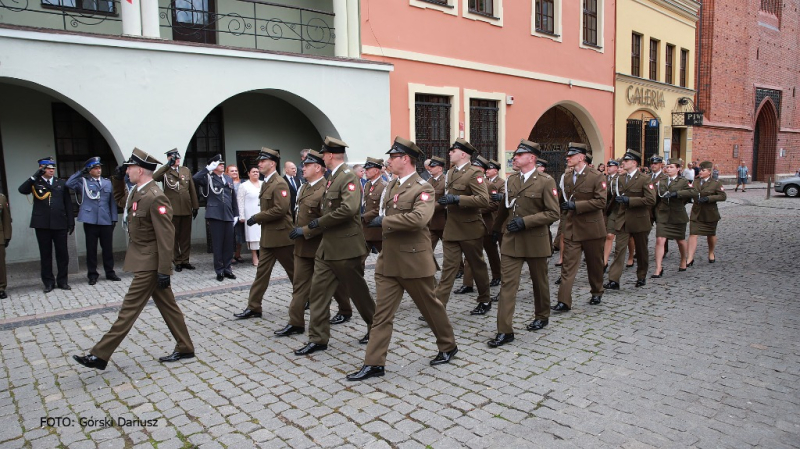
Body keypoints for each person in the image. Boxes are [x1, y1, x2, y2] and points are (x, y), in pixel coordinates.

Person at [347, 137, 458, 380]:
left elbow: (419, 219)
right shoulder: (392, 186)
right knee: (382, 315)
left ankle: (448, 344)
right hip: (389, 261)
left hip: (414, 262)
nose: (388, 161)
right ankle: (374, 363)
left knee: (431, 308)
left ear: (405, 159)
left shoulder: (423, 187)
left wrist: (385, 221)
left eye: (392, 157)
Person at [73, 148, 194, 371]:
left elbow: (167, 237)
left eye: (129, 168)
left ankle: (99, 355)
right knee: (169, 307)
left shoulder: (155, 197)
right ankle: (185, 346)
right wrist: (118, 180)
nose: (126, 170)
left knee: (128, 310)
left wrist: (164, 271)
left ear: (140, 170)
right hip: (145, 260)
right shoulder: (137, 192)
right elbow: (120, 199)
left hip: (151, 264)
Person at [292, 137, 376, 356]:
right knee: (319, 293)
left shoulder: (348, 177)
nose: (322, 157)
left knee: (359, 294)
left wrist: (319, 222)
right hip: (327, 248)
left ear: (329, 155)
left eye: (323, 154)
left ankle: (375, 328)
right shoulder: (333, 178)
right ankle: (318, 338)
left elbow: (349, 209)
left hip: (347, 248)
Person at [487, 140, 560, 347]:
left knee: (540, 281)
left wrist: (526, 222)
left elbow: (553, 213)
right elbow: (505, 208)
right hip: (511, 241)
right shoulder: (512, 180)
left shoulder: (546, 181)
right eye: (515, 154)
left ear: (532, 158)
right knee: (508, 285)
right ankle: (505, 331)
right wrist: (495, 229)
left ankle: (542, 314)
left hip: (535, 240)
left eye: (520, 154)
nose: (515, 157)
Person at [276, 151, 352, 337]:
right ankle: (296, 322)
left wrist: (306, 231)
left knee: (331, 285)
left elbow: (327, 220)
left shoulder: (326, 189)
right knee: (300, 285)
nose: (302, 168)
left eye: (306, 165)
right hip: (302, 247)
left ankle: (344, 310)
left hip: (320, 245)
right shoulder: (303, 188)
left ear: (318, 168)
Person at [234, 148, 296, 320]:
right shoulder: (267, 182)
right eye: (258, 161)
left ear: (273, 163)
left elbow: (281, 209)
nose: (259, 164)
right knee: (261, 274)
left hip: (282, 237)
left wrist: (258, 217)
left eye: (262, 161)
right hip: (268, 237)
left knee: (295, 273)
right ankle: (254, 307)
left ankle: (307, 298)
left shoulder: (279, 183)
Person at [434, 138, 492, 315]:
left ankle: (485, 299)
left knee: (477, 266)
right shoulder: (451, 173)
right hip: (451, 228)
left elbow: (483, 200)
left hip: (470, 229)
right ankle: (437, 306)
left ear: (463, 154)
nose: (450, 152)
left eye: (453, 150)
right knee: (448, 269)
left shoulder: (474, 173)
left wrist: (458, 199)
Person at [553, 143, 607, 311]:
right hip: (572, 228)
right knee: (568, 266)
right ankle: (563, 301)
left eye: (572, 155)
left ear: (582, 157)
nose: (567, 158)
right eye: (567, 155)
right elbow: (563, 199)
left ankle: (597, 291)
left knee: (594, 265)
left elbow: (601, 202)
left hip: (592, 229)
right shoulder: (567, 177)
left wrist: (576, 205)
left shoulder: (596, 176)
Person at [18, 157, 74, 292]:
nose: (51, 170)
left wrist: (71, 222)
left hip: (60, 222)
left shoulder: (60, 183)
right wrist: (35, 175)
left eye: (53, 168)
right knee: (46, 254)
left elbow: (67, 203)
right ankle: (48, 282)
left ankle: (62, 281)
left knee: (62, 254)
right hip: (42, 224)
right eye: (48, 168)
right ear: (41, 168)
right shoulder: (35, 182)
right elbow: (22, 190)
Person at [604, 150, 656, 290]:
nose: (623, 163)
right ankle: (614, 280)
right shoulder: (620, 179)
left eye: (626, 161)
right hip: (623, 220)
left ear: (634, 163)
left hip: (639, 220)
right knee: (619, 250)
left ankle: (641, 276)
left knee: (641, 250)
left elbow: (651, 199)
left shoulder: (645, 179)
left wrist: (630, 200)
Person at [66, 157, 120, 285]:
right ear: (90, 170)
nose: (98, 170)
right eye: (95, 168)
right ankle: (92, 275)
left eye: (99, 168)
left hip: (105, 219)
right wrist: (81, 172)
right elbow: (69, 183)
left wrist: (114, 218)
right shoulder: (83, 182)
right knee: (91, 249)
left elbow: (112, 202)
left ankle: (110, 272)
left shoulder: (107, 182)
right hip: (90, 220)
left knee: (107, 248)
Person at [457, 156, 503, 294]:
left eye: (476, 167)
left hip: (486, 224)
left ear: (482, 170)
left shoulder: (490, 185)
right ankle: (468, 284)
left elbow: (495, 204)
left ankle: (497, 275)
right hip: (471, 224)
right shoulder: (469, 183)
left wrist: (477, 209)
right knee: (470, 254)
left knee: (491, 252)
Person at [193, 154, 239, 281]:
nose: (222, 165)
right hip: (215, 215)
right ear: (213, 166)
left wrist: (236, 213)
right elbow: (195, 178)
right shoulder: (208, 177)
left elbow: (232, 197)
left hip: (228, 214)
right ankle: (219, 270)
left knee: (229, 245)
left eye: (222, 163)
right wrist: (207, 169)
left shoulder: (228, 178)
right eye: (219, 163)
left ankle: (228, 269)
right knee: (218, 245)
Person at [153, 149, 199, 272]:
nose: (177, 160)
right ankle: (177, 260)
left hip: (186, 207)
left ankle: (185, 260)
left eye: (178, 158)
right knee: (173, 236)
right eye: (174, 158)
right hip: (172, 209)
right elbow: (154, 177)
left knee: (185, 236)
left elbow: (192, 189)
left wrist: (195, 206)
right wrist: (167, 165)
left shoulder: (185, 170)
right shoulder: (165, 171)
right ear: (169, 159)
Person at [651, 159, 694, 278]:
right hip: (663, 214)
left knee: (680, 241)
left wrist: (678, 194)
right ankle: (658, 267)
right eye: (667, 167)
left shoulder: (684, 181)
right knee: (660, 240)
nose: (668, 169)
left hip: (677, 215)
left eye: (671, 167)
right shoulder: (661, 181)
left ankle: (683, 260)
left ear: (678, 169)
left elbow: (693, 192)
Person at [688, 161, 727, 265]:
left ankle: (711, 252)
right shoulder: (695, 182)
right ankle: (690, 257)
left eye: (703, 170)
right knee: (693, 234)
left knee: (711, 235)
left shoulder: (716, 183)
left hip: (710, 213)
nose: (700, 172)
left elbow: (723, 196)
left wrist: (708, 198)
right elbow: (690, 192)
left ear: (709, 172)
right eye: (700, 170)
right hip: (696, 212)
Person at [360, 157, 388, 258]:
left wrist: (365, 216)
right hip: (366, 229)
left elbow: (382, 208)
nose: (365, 172)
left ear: (376, 171)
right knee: (359, 259)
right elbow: (365, 204)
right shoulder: (367, 184)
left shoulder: (384, 186)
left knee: (387, 258)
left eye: (368, 169)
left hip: (377, 230)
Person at [236, 166, 263, 265]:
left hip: (262, 213)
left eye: (257, 172)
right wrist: (241, 215)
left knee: (262, 235)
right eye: (253, 172)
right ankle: (254, 256)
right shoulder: (244, 186)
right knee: (253, 236)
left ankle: (263, 257)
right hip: (250, 213)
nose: (256, 173)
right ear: (249, 173)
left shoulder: (263, 184)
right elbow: (240, 201)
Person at [427, 156, 447, 261]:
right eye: (430, 166)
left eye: (433, 166)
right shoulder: (428, 181)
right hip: (431, 222)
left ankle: (460, 268)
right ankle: (428, 270)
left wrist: (429, 207)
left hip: (442, 221)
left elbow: (444, 201)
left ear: (440, 168)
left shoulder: (445, 181)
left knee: (449, 250)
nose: (430, 168)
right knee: (427, 249)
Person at [226, 165, 245, 264]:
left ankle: (238, 254)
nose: (234, 172)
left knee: (239, 234)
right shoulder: (225, 182)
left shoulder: (243, 183)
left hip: (240, 212)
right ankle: (230, 255)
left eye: (236, 171)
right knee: (230, 235)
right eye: (232, 171)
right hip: (229, 212)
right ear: (227, 173)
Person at [603, 159, 621, 268]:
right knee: (608, 235)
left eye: (611, 166)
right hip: (606, 210)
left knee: (629, 238)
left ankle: (630, 257)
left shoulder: (619, 178)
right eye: (607, 166)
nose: (608, 167)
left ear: (616, 167)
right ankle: (604, 262)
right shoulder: (604, 178)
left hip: (617, 209)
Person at [0, 191, 11, 299]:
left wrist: (7, 236)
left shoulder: (1, 198)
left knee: (0, 265)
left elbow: (6, 219)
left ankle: (1, 287)